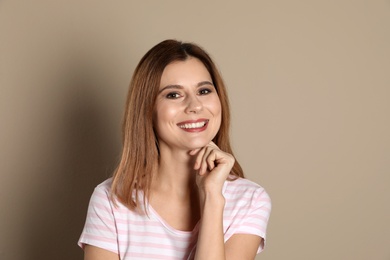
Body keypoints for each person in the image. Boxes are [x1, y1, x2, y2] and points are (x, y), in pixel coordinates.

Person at [78, 39, 271, 260]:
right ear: (147, 110)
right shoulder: (111, 201)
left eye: (204, 90)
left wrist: (211, 197)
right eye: (173, 94)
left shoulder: (250, 200)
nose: (195, 106)